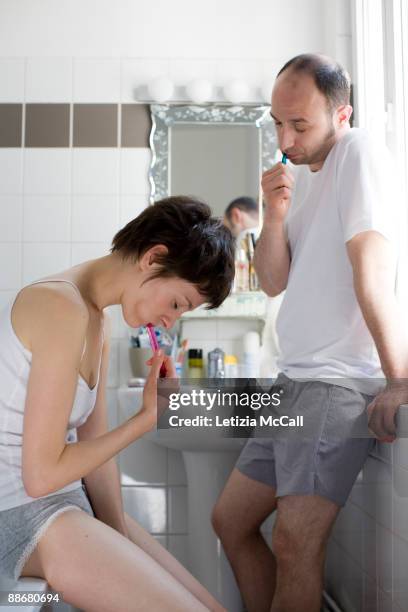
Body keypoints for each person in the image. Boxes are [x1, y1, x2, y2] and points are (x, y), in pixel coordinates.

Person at [212, 53, 408, 612]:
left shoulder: (359, 153)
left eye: (301, 125)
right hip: (293, 382)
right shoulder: (307, 178)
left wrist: (399, 381)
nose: (286, 137)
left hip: (334, 384)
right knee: (229, 522)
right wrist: (274, 215)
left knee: (296, 543)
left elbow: (372, 276)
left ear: (341, 114)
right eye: (278, 123)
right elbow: (273, 283)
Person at [0, 196, 234, 612]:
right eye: (177, 303)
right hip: (18, 515)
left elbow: (95, 457)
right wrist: (147, 419)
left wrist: (118, 538)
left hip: (64, 506)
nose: (170, 320)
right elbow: (40, 476)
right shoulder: (60, 307)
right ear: (153, 257)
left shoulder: (96, 320)